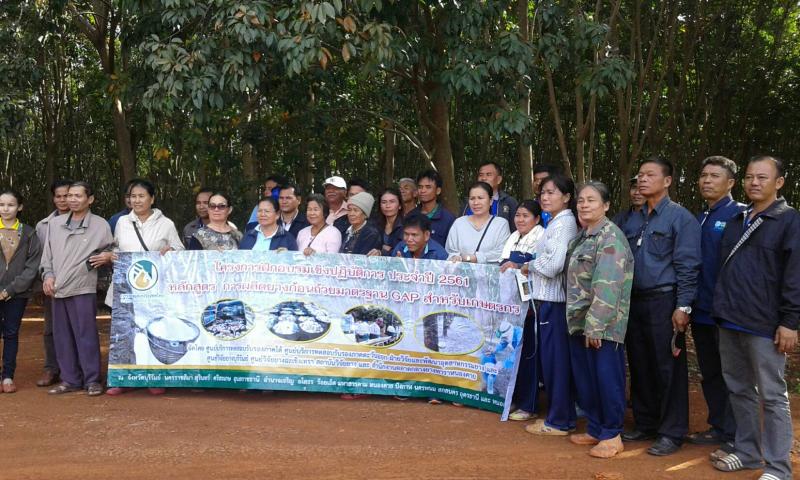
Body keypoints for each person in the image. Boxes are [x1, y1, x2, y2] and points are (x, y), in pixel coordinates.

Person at [711, 155, 798, 480]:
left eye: (762, 177)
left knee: (773, 396)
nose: (754, 183)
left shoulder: (788, 220)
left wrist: (790, 322)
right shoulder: (737, 219)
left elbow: (795, 276)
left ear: (779, 182)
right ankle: (748, 452)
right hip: (730, 318)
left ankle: (778, 468)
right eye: (749, 177)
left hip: (764, 323)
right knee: (739, 389)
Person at [621, 156, 701, 456]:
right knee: (640, 363)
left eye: (649, 175)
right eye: (640, 175)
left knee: (667, 366)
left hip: (664, 301)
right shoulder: (633, 219)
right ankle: (646, 422)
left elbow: (688, 266)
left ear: (667, 181)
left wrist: (683, 306)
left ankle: (671, 432)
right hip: (634, 300)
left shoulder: (680, 218)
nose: (642, 180)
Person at [565, 182, 634, 458]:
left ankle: (612, 434)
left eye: (591, 200)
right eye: (581, 200)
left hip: (602, 326)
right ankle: (595, 427)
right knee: (587, 380)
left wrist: (595, 326)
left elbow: (608, 285)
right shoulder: (583, 237)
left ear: (606, 205)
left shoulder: (610, 237)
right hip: (580, 322)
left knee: (607, 379)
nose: (584, 205)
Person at [104, 178, 185, 396]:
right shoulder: (122, 222)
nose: (137, 200)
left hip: (155, 289)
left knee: (154, 331)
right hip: (126, 288)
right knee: (124, 332)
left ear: (152, 198)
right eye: (133, 196)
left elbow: (180, 251)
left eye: (141, 196)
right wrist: (112, 256)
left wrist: (172, 252)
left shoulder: (166, 224)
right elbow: (115, 248)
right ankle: (123, 378)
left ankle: (154, 377)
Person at [686, 156, 745, 454]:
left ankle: (737, 434)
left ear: (731, 182)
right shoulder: (700, 217)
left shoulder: (740, 215)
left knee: (732, 374)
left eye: (715, 176)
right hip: (702, 310)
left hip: (728, 312)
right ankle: (719, 427)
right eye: (704, 175)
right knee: (710, 372)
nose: (707, 180)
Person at [40, 181, 114, 396]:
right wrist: (48, 275)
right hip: (57, 288)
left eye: (77, 196)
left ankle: (92, 380)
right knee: (61, 336)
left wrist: (107, 256)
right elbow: (47, 256)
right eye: (69, 195)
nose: (72, 199)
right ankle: (70, 379)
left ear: (90, 199)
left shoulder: (100, 225)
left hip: (83, 287)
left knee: (86, 334)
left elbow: (111, 250)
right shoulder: (55, 224)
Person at [521, 174, 579, 436]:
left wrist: (530, 265)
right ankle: (560, 417)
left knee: (556, 362)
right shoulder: (557, 222)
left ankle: (559, 421)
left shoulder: (563, 224)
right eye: (543, 192)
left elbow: (553, 265)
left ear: (566, 197)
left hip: (554, 302)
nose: (545, 197)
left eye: (551, 192)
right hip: (548, 300)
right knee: (552, 361)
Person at [501, 200, 544, 421]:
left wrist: (518, 266)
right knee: (511, 351)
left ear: (537, 219)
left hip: (532, 307)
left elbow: (538, 268)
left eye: (525, 215)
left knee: (529, 356)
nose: (520, 219)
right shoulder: (513, 237)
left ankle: (529, 404)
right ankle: (513, 398)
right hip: (511, 306)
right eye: (517, 215)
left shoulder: (541, 237)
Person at [0, 190, 43, 393]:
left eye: (10, 205)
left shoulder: (29, 233)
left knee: (11, 333)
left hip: (17, 293)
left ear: (20, 207)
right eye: (1, 204)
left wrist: (9, 290)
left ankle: (8, 376)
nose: (5, 209)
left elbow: (32, 267)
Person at [34, 179, 73, 387]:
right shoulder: (43, 226)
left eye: (67, 195)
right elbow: (40, 257)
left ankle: (77, 369)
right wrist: (45, 279)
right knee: (51, 328)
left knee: (77, 328)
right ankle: (52, 368)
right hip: (52, 284)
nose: (63, 200)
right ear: (53, 199)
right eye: (58, 196)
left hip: (76, 284)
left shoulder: (87, 221)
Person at [445, 182, 510, 265]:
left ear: (491, 201)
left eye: (480, 198)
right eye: (472, 198)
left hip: (490, 272)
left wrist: (476, 258)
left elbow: (502, 252)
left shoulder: (501, 224)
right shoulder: (459, 223)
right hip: (462, 272)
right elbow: (450, 251)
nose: (476, 202)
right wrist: (455, 257)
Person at [462, 161, 518, 229]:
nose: (484, 178)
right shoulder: (468, 202)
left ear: (499, 179)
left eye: (488, 175)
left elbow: (515, 230)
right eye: (481, 175)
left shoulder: (509, 202)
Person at [408, 170, 456, 247]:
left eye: (428, 187)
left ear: (438, 191)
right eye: (420, 187)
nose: (423, 191)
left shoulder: (448, 219)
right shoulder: (411, 216)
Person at [368, 188, 403, 256]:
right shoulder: (374, 223)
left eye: (392, 202)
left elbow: (402, 251)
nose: (387, 206)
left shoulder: (406, 225)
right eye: (384, 202)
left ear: (400, 205)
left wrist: (382, 251)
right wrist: (384, 248)